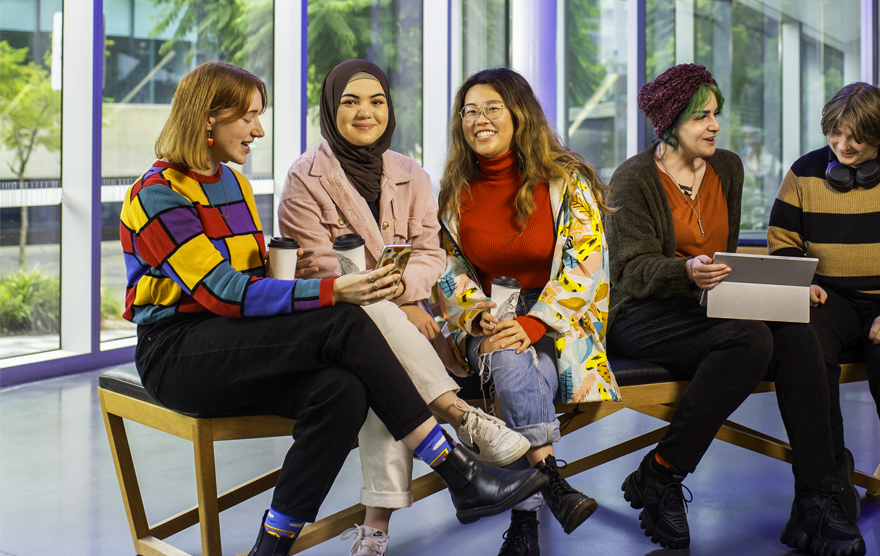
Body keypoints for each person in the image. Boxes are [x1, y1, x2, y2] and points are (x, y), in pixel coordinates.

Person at [119, 61, 548, 556]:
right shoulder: (157, 194)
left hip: (234, 341)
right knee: (347, 318)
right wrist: (332, 291)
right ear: (208, 119)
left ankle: (272, 546)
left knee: (342, 391)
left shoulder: (232, 184)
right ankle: (456, 467)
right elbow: (221, 293)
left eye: (260, 115)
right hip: (176, 352)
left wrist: (283, 271)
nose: (259, 129)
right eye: (250, 117)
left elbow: (249, 281)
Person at [605, 64, 864, 556]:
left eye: (716, 114)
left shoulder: (727, 167)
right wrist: (686, 273)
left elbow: (727, 255)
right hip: (644, 314)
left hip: (709, 304)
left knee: (797, 331)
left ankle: (815, 496)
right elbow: (631, 272)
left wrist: (781, 289)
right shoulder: (633, 178)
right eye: (701, 116)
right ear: (669, 123)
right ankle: (663, 472)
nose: (714, 126)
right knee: (750, 339)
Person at [278, 59, 530, 556]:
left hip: (402, 319)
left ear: (389, 109)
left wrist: (403, 299)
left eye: (376, 101)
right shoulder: (305, 178)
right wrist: (402, 303)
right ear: (331, 109)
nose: (364, 112)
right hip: (332, 320)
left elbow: (431, 255)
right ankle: (459, 415)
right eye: (349, 101)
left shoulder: (410, 173)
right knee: (371, 340)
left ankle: (376, 529)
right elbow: (324, 270)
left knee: (379, 368)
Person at [437, 67, 616, 556]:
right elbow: (448, 274)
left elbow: (589, 267)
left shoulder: (566, 180)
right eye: (469, 110)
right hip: (490, 317)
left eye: (492, 108)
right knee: (509, 356)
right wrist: (477, 316)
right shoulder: (455, 189)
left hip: (560, 317)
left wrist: (536, 322)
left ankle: (524, 519)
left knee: (518, 360)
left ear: (519, 115)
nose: (479, 119)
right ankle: (552, 482)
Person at [767, 81, 880, 538]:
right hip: (833, 300)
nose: (843, 146)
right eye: (835, 134)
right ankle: (828, 486)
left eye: (856, 139)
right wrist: (800, 282)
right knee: (805, 351)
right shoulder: (805, 173)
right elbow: (782, 241)